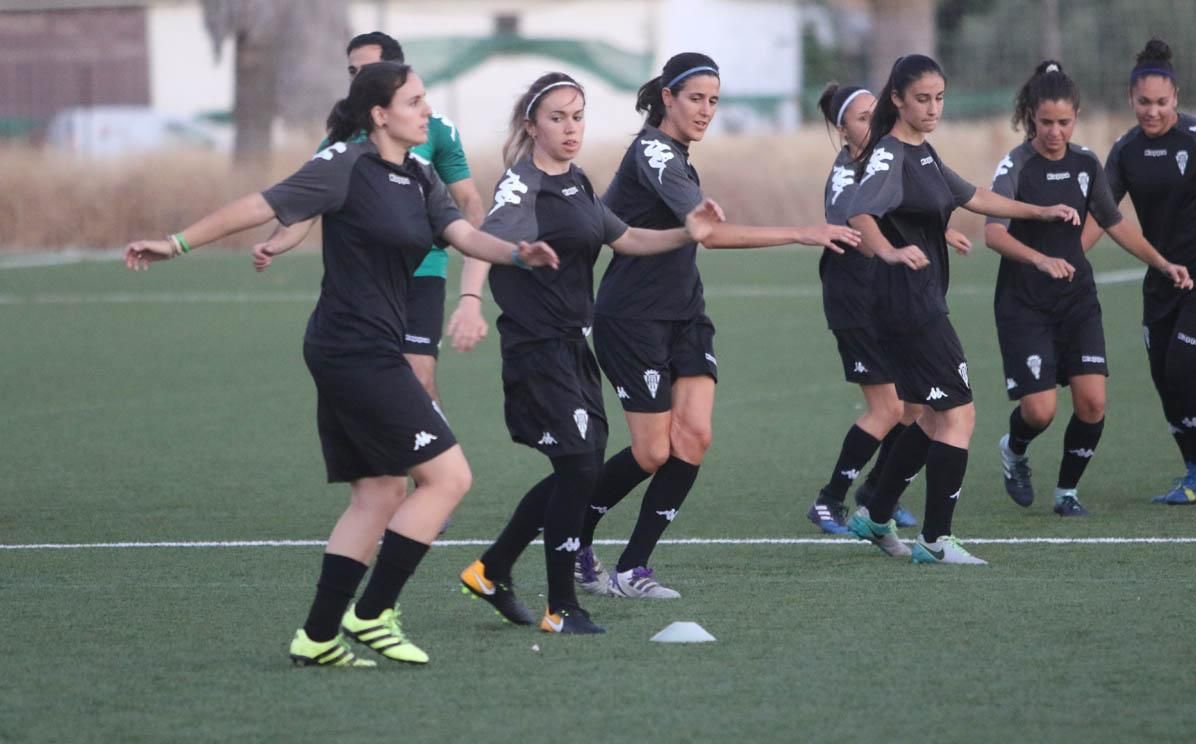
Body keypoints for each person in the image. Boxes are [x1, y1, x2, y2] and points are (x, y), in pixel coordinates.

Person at [123, 62, 557, 666]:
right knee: (449, 477)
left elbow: (462, 232)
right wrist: (176, 244)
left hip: (365, 345)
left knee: (378, 495)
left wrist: (517, 253)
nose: (426, 111)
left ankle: (319, 635)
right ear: (380, 114)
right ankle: (373, 612)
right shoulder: (344, 164)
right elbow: (261, 203)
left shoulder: (421, 174)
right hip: (354, 349)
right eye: (414, 101)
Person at [572, 52, 861, 598]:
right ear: (668, 98)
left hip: (685, 314)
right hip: (633, 319)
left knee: (695, 438)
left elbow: (605, 220)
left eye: (714, 101)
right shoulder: (655, 152)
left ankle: (633, 569)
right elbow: (706, 233)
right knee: (653, 450)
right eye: (696, 99)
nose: (706, 110)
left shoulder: (674, 153)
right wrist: (803, 231)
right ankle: (573, 539)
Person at [446, 74, 723, 632]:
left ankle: (493, 568)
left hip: (574, 344)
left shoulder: (576, 182)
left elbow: (625, 237)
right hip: (536, 346)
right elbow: (484, 239)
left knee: (583, 467)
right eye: (557, 118)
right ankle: (561, 607)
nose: (571, 128)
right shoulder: (522, 186)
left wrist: (687, 232)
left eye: (578, 116)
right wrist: (471, 300)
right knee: (578, 468)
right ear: (532, 125)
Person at [843, 54, 1081, 565]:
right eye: (922, 99)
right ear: (898, 101)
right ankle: (935, 540)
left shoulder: (922, 153)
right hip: (908, 305)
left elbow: (973, 196)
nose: (933, 108)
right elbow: (859, 210)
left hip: (917, 301)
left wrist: (1039, 211)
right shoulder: (890, 155)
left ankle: (875, 513)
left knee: (930, 415)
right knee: (960, 413)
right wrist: (886, 249)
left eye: (939, 98)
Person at [987, 60, 1191, 516]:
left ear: (1075, 116)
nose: (1055, 132)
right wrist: (1040, 258)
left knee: (1093, 402)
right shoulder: (1016, 165)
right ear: (1031, 118)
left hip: (1076, 301)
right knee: (1040, 412)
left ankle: (1066, 493)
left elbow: (1113, 221)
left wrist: (1162, 263)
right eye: (1046, 123)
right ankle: (1014, 449)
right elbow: (993, 233)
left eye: (1064, 122)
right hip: (1025, 303)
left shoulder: (1085, 164)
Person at [255, 32, 485, 409]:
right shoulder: (341, 140)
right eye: (352, 71)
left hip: (423, 271)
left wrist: (476, 277)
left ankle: (436, 467)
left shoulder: (434, 128)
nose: (356, 78)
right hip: (366, 281)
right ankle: (389, 465)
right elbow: (307, 205)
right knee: (373, 387)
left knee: (418, 375)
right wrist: (278, 241)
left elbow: (469, 201)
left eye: (366, 69)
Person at [805, 82, 969, 547]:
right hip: (856, 301)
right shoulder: (847, 174)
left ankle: (879, 492)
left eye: (875, 114)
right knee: (890, 407)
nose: (872, 123)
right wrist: (894, 247)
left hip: (886, 301)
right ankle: (830, 498)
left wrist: (941, 229)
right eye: (861, 118)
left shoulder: (886, 159)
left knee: (916, 405)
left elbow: (903, 207)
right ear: (843, 129)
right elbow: (859, 221)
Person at [1082, 39, 1196, 504]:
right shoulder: (1126, 150)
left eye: (1162, 102)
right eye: (1144, 103)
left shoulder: (1195, 138)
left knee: (1184, 364)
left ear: (1176, 97)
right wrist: (1070, 258)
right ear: (1131, 99)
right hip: (1161, 276)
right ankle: (1194, 470)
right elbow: (1102, 212)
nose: (1152, 112)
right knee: (1163, 376)